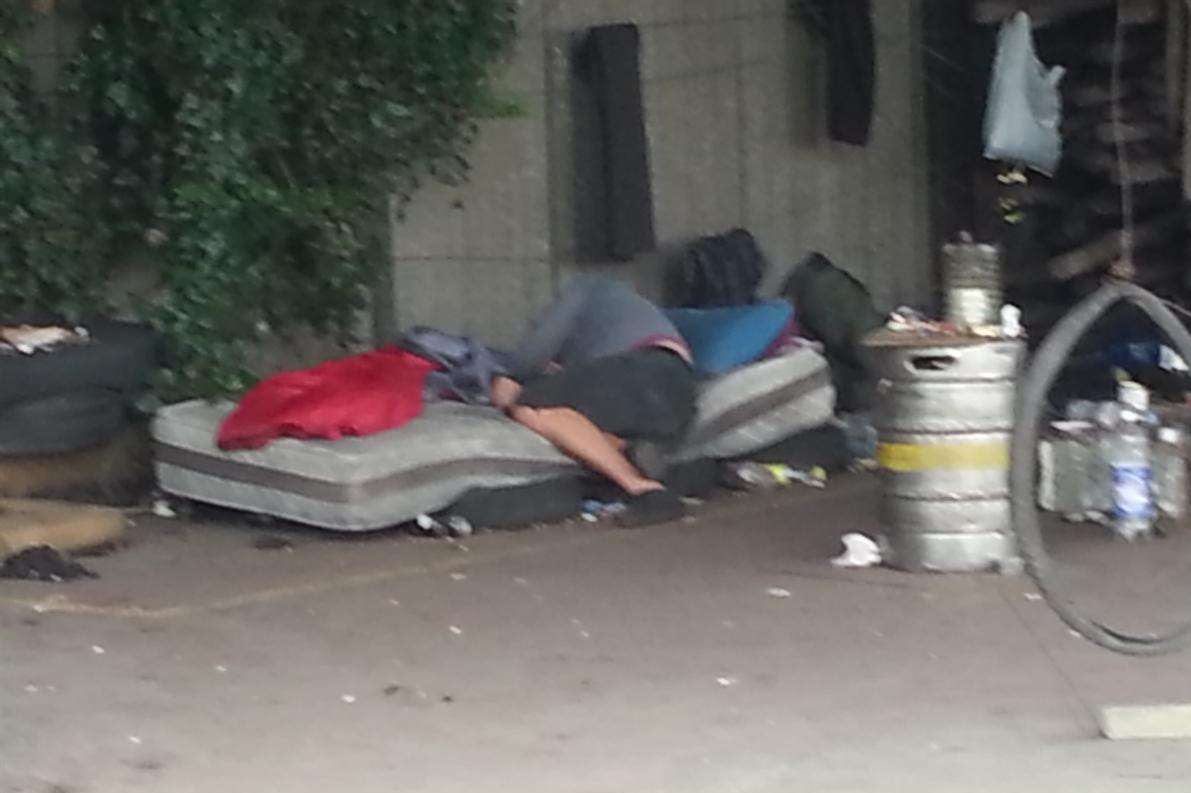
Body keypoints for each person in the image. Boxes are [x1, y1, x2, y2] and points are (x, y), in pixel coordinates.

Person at [491, 275, 697, 526]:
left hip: (637, 370)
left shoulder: (583, 289)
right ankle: (631, 450)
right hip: (679, 388)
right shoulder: (628, 306)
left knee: (529, 403)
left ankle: (642, 487)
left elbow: (531, 355)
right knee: (582, 422)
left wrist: (508, 379)